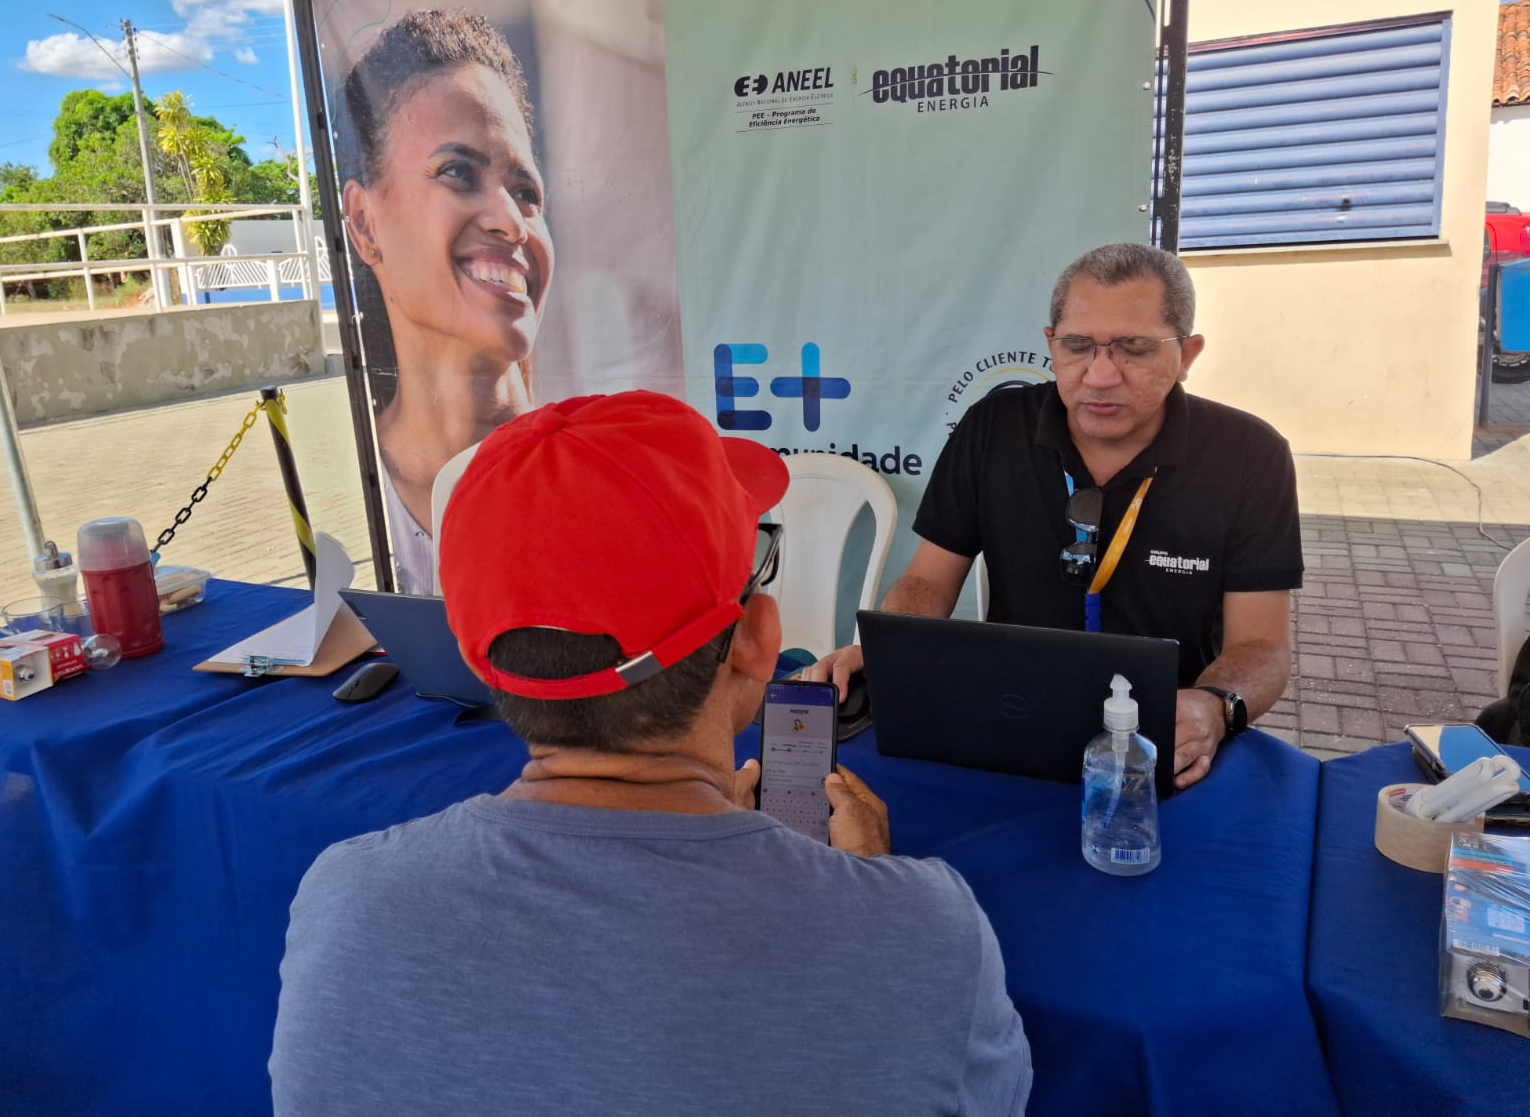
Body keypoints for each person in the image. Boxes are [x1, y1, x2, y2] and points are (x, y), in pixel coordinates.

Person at [270, 391, 1032, 1116]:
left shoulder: (343, 903)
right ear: (761, 642)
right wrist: (867, 899)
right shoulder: (925, 935)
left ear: (478, 661)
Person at [809, 243, 1302, 789]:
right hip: (1007, 718)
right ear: (1051, 345)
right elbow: (927, 579)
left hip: (1162, 744)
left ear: (1186, 355)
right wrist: (887, 652)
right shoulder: (994, 426)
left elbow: (1261, 647)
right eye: (1077, 346)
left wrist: (1215, 707)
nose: (1100, 375)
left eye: (1133, 349)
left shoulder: (1249, 454)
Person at [338, 9, 555, 595]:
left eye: (525, 191)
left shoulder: (601, 480)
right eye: (458, 172)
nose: (511, 222)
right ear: (363, 223)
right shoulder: (348, 493)